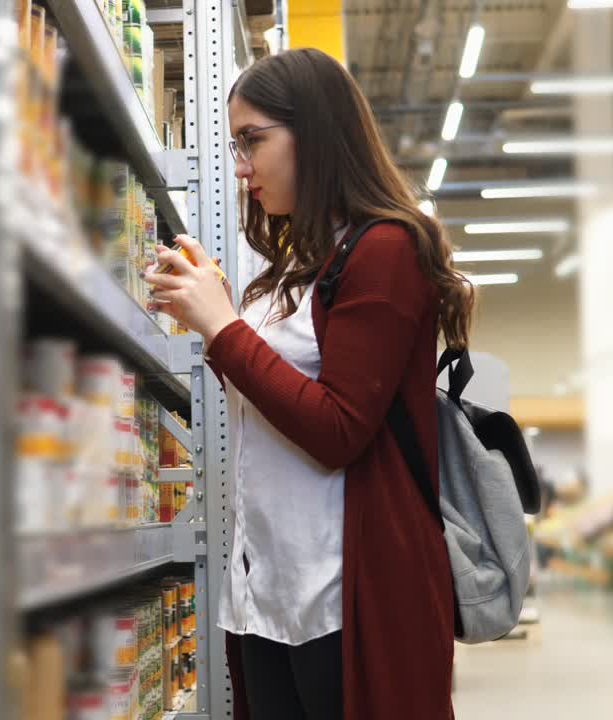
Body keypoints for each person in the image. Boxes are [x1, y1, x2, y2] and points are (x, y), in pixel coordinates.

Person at [143, 48, 473, 719]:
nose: (241, 166)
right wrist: (218, 317)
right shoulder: (301, 263)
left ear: (316, 133)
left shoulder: (385, 250)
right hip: (271, 590)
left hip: (345, 595)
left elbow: (339, 429)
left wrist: (225, 328)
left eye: (253, 141)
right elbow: (275, 400)